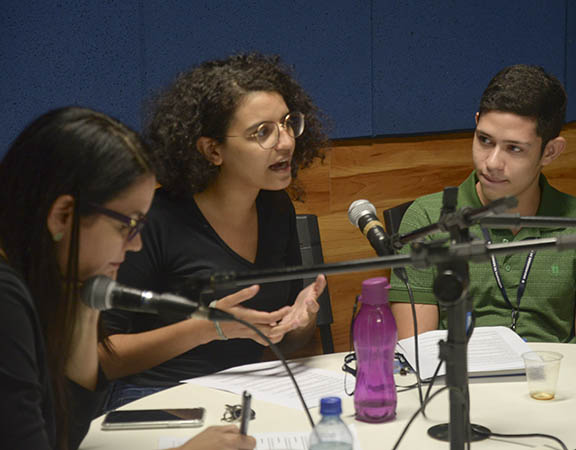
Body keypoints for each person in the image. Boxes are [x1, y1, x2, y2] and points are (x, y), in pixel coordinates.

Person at [0, 107, 255, 450]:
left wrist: (87, 302)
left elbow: (65, 434)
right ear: (63, 216)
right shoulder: (5, 301)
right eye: (127, 226)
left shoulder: (46, 285)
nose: (135, 245)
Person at [100, 53, 329, 409]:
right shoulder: (152, 221)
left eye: (287, 123)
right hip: (154, 397)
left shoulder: (276, 208)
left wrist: (302, 320)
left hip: (243, 393)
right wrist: (207, 327)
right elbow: (105, 357)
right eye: (263, 132)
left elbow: (284, 342)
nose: (285, 142)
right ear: (212, 150)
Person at [388, 64, 576, 344]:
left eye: (514, 148)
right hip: (457, 383)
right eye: (485, 140)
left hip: (553, 383)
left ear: (550, 151)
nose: (492, 164)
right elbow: (417, 354)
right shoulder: (427, 219)